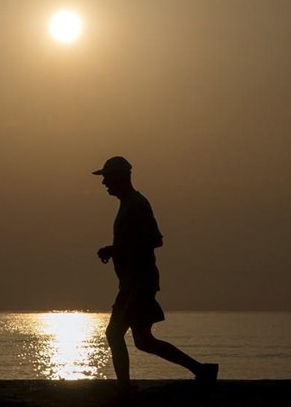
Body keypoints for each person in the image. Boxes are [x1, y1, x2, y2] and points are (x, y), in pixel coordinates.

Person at [93, 156, 218, 392]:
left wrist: (115, 249)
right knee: (139, 340)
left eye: (107, 178)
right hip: (130, 284)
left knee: (120, 335)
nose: (104, 183)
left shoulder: (137, 204)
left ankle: (125, 387)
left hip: (139, 284)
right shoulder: (127, 204)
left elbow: (154, 240)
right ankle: (202, 370)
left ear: (121, 177)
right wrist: (115, 250)